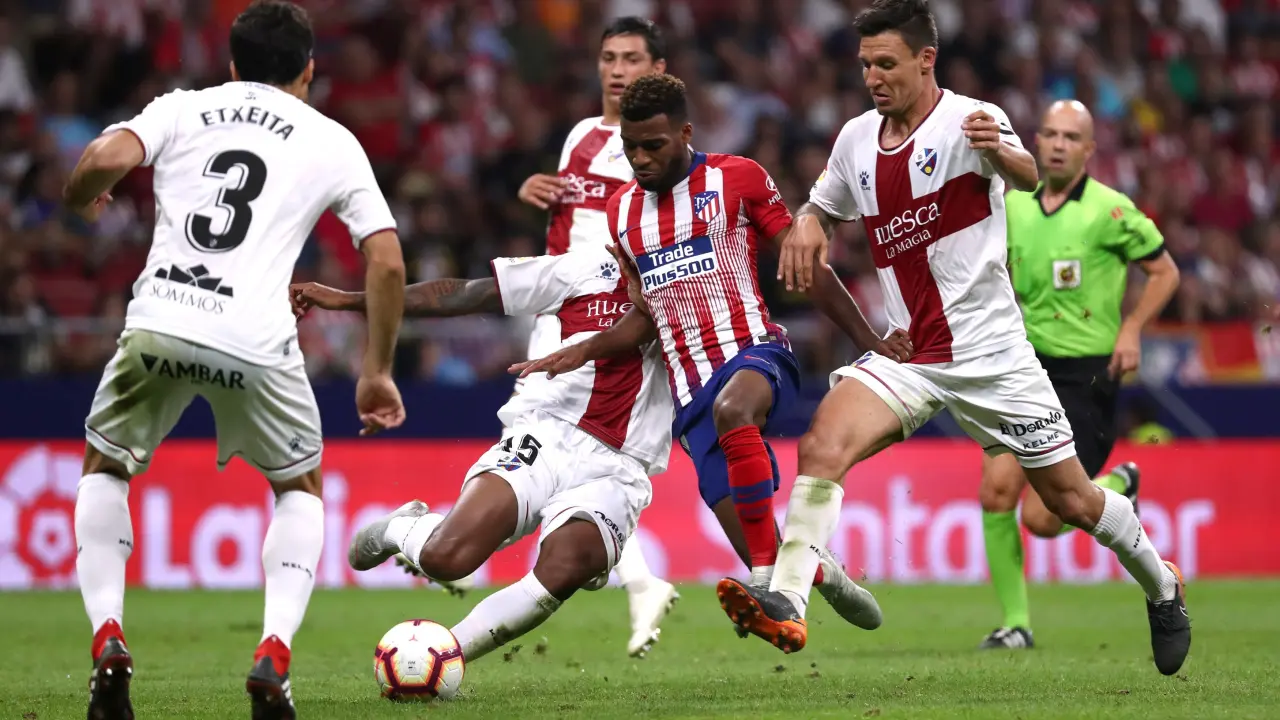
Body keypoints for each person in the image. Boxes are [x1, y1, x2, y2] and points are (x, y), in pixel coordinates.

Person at [713, 0, 1191, 677]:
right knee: (822, 445)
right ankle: (789, 600)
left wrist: (1001, 150)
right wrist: (812, 218)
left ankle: (1162, 586)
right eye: (865, 65)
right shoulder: (854, 139)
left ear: (925, 59)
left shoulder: (972, 119)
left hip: (993, 355)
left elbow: (1028, 174)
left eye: (886, 63)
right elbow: (825, 201)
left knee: (1070, 501)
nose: (873, 77)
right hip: (910, 352)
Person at [63, 2, 407, 718]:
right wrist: (376, 369)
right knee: (299, 488)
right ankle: (273, 654)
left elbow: (101, 161)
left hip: (160, 320)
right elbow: (387, 262)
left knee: (107, 468)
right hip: (255, 338)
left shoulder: (181, 108)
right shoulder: (331, 139)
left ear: (231, 65)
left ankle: (109, 636)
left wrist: (83, 197)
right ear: (309, 70)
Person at [512, 73, 905, 630]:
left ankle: (768, 582)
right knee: (759, 542)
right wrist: (583, 349)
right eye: (630, 147)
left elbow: (806, 267)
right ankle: (821, 576)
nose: (641, 159)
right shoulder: (621, 213)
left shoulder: (737, 177)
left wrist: (870, 341)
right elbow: (644, 315)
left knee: (734, 411)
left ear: (685, 132)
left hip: (755, 352)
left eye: (653, 145)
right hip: (690, 393)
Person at [291, 243, 674, 670]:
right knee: (447, 559)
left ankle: (441, 659)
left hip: (620, 465)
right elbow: (464, 293)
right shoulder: (584, 269)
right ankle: (402, 528)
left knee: (565, 566)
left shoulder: (695, 285)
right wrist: (352, 300)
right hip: (547, 434)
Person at [978, 99, 1181, 650]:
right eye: (1050, 134)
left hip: (1087, 377)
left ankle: (1118, 485)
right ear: (1036, 142)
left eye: (1071, 137)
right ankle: (1015, 625)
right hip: (1022, 367)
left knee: (1043, 518)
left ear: (1089, 149)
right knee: (995, 492)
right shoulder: (1012, 206)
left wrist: (1132, 327)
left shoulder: (1110, 210)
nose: (1058, 145)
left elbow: (1165, 271)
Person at [511, 16, 678, 658]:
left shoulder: (654, 149)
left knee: (559, 447)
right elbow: (570, 219)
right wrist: (535, 189)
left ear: (657, 70)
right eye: (608, 57)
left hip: (606, 318)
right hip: (553, 310)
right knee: (548, 450)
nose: (616, 70)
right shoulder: (581, 135)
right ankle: (637, 578)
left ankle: (447, 543)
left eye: (631, 58)